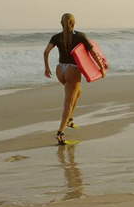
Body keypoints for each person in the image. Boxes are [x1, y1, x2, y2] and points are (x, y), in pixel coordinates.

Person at [43, 13, 105, 145]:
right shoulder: (80, 36)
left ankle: (70, 119)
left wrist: (46, 68)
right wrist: (101, 68)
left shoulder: (56, 37)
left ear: (61, 23)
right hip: (73, 70)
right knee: (68, 104)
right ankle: (60, 134)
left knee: (78, 93)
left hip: (60, 69)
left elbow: (46, 51)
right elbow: (94, 52)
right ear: (74, 23)